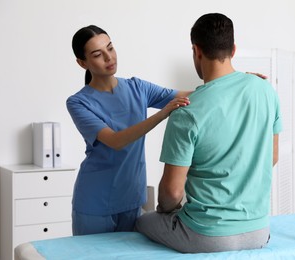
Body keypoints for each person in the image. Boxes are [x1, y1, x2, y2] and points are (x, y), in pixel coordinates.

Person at [135, 13, 282, 253]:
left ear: (196, 51)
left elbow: (172, 192)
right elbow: (272, 158)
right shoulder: (265, 90)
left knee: (141, 222)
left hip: (206, 235)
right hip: (259, 232)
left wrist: (165, 209)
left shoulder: (186, 111)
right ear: (233, 50)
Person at [67, 25, 191, 236]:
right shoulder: (78, 102)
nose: (109, 57)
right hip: (95, 203)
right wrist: (162, 113)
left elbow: (190, 95)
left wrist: (232, 82)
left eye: (110, 48)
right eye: (98, 54)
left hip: (132, 198)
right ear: (82, 63)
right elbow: (115, 140)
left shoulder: (137, 88)